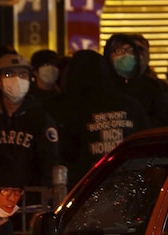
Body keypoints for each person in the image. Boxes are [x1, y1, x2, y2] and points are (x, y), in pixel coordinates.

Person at [57, 49, 148, 185]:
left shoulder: (73, 109)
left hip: (89, 187)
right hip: (130, 182)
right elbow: (146, 142)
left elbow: (67, 153)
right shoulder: (131, 105)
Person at [0, 51, 60, 187]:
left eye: (23, 75)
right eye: (9, 75)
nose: (17, 80)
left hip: (31, 200)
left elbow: (49, 162)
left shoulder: (40, 119)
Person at [103, 33, 168, 128]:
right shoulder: (103, 87)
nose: (125, 55)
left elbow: (163, 120)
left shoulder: (152, 87)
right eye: (118, 51)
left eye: (130, 50)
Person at [28, 49, 62, 122]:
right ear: (34, 71)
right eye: (45, 65)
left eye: (54, 64)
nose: (51, 69)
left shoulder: (62, 97)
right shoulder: (28, 97)